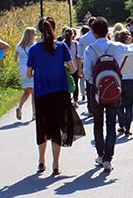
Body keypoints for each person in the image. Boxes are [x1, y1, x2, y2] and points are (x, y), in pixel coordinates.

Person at [27, 16, 84, 175]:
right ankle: (56, 164)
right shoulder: (62, 47)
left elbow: (29, 72)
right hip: (60, 93)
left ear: (40, 30)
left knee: (42, 127)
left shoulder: (33, 50)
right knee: (57, 128)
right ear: (54, 28)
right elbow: (72, 69)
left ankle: (41, 161)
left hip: (41, 93)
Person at [83, 18, 133, 172]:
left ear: (93, 32)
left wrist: (96, 82)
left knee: (98, 123)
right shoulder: (117, 47)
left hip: (97, 91)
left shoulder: (90, 49)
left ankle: (100, 154)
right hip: (114, 89)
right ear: (108, 31)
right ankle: (108, 159)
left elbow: (87, 73)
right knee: (111, 123)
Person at [14, 27, 36, 121]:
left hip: (22, 70)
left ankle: (20, 107)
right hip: (31, 70)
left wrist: (22, 62)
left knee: (26, 92)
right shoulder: (33, 46)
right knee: (34, 94)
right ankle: (34, 114)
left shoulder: (18, 46)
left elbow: (16, 60)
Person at [77, 17, 97, 116]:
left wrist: (79, 69)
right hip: (100, 63)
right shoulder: (100, 37)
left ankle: (91, 109)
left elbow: (80, 56)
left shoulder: (83, 38)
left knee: (89, 87)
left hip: (87, 63)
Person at [64, 28, 80, 106]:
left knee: (67, 83)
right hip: (75, 67)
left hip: (65, 67)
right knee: (75, 83)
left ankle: (68, 99)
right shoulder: (76, 44)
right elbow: (78, 56)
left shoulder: (62, 44)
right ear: (73, 35)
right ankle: (75, 100)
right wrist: (80, 68)